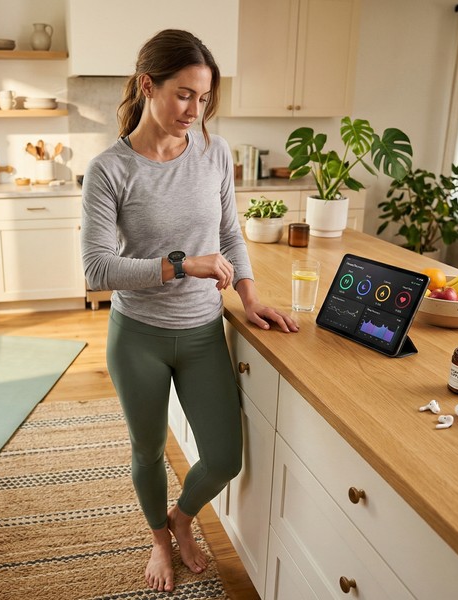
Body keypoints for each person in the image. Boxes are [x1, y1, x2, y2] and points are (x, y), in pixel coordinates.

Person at [81, 29, 299, 593]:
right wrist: (184, 266)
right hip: (138, 337)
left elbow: (229, 233)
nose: (193, 110)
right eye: (183, 95)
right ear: (147, 85)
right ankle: (160, 539)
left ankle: (182, 517)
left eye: (203, 99)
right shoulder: (110, 169)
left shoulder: (214, 152)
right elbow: (98, 270)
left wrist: (248, 295)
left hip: (203, 331)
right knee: (148, 450)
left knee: (225, 456)